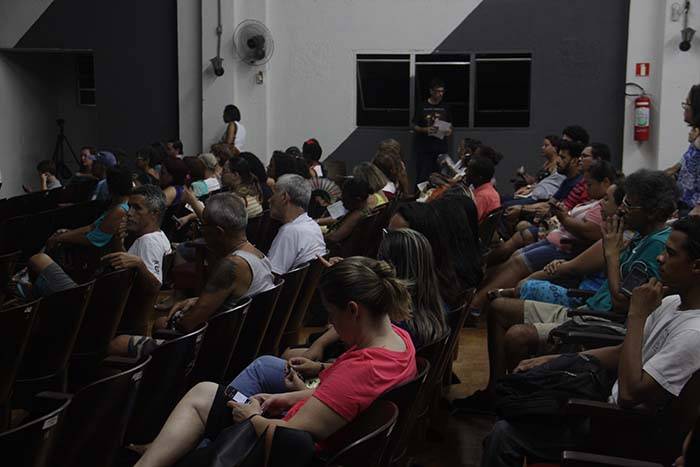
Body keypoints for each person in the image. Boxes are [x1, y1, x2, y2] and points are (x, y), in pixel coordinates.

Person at [133, 257, 417, 467]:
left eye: (332, 314)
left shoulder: (363, 369)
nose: (331, 323)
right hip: (295, 435)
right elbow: (343, 401)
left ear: (354, 310)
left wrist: (252, 417)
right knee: (206, 392)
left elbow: (289, 437)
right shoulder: (400, 341)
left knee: (204, 398)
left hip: (275, 450)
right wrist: (285, 398)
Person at [480, 215, 700, 467]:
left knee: (504, 435)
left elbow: (629, 395)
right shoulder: (672, 302)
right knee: (519, 401)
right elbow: (621, 352)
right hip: (605, 403)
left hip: (622, 429)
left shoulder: (693, 334)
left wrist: (637, 315)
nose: (660, 258)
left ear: (696, 266)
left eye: (670, 253)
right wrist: (554, 359)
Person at [454, 170, 679, 412]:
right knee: (498, 308)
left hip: (605, 321)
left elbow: (623, 303)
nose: (622, 209)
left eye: (629, 204)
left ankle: (519, 403)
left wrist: (612, 255)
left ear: (652, 212)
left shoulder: (656, 246)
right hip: (589, 310)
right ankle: (495, 393)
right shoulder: (640, 237)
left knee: (517, 335)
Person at [110, 193, 274, 358]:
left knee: (118, 342)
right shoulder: (259, 255)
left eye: (203, 227)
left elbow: (187, 325)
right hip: (242, 341)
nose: (202, 233)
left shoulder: (231, 265)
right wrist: (196, 301)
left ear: (218, 232)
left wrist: (180, 317)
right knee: (161, 323)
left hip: (211, 351)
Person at [284, 229, 447, 361]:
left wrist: (342, 287)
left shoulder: (396, 318)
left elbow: (352, 339)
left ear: (391, 267)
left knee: (287, 355)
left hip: (351, 360)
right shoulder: (429, 302)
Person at [389, 202, 464, 309]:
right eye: (387, 234)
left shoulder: (424, 301)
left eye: (397, 239)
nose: (386, 243)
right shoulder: (402, 275)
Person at [503, 140, 588, 229]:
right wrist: (521, 207)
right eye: (558, 156)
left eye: (562, 158)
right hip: (548, 214)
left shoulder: (578, 184)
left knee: (511, 213)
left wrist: (522, 208)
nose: (557, 161)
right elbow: (550, 204)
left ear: (574, 161)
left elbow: (554, 210)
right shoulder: (567, 181)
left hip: (562, 226)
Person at [267, 174, 326, 275]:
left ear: (284, 197)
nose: (269, 200)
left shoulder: (290, 232)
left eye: (274, 194)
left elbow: (271, 276)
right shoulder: (312, 225)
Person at [413, 78, 453, 183]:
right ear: (431, 91)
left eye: (442, 91)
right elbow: (414, 126)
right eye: (438, 91)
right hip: (424, 149)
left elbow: (450, 126)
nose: (440, 94)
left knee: (441, 177)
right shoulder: (422, 106)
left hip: (441, 148)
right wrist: (425, 129)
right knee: (423, 177)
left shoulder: (445, 107)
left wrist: (448, 131)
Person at [323, 178, 373, 246]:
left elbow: (334, 237)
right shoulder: (364, 208)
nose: (341, 200)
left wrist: (318, 236)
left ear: (357, 199)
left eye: (344, 197)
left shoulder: (357, 215)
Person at [466, 156, 501, 222]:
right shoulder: (489, 190)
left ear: (479, 177)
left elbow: (469, 221)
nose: (465, 172)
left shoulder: (482, 196)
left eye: (469, 170)